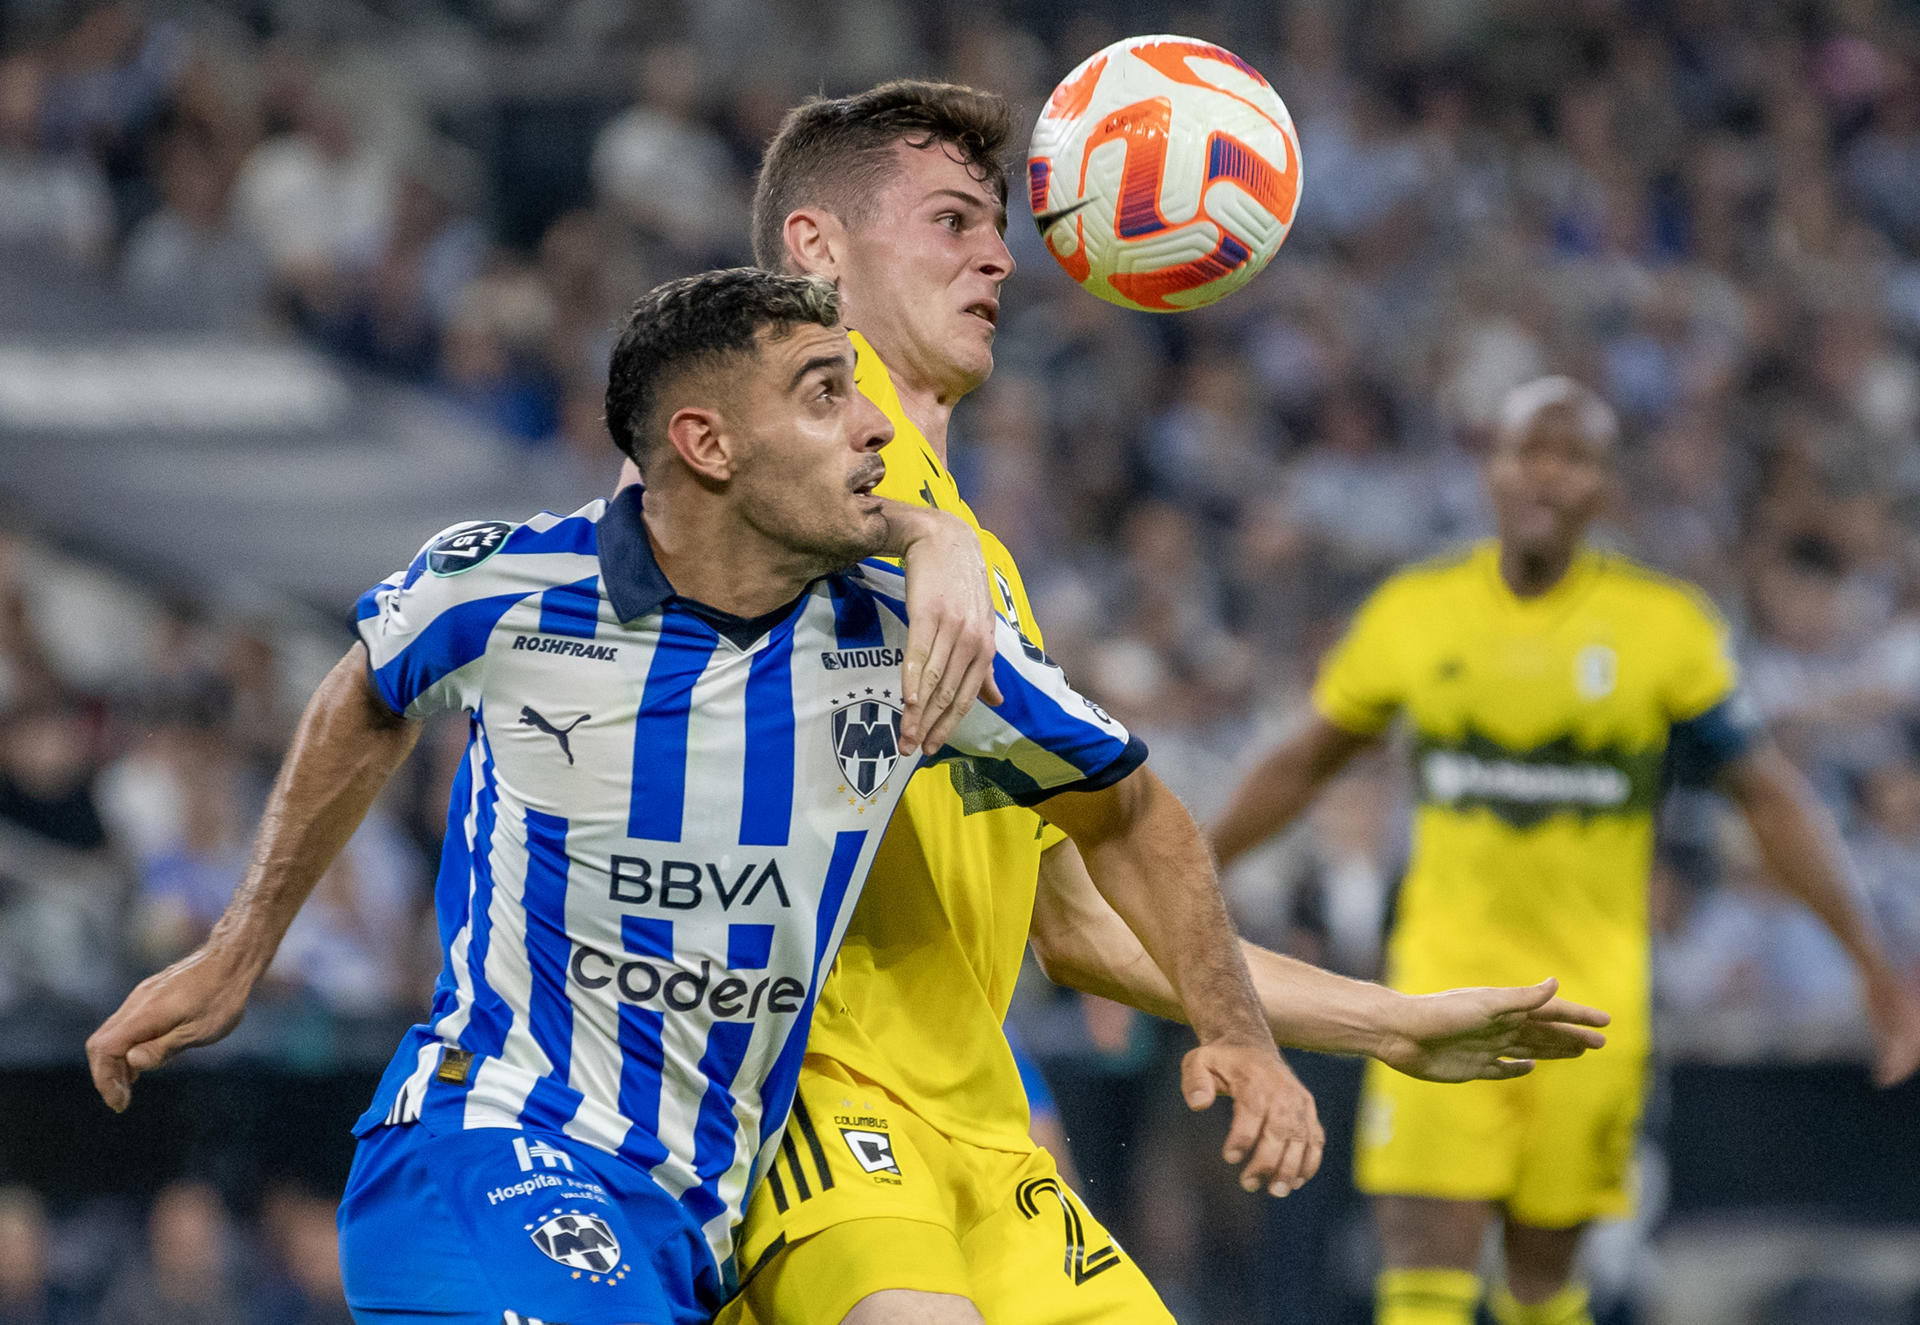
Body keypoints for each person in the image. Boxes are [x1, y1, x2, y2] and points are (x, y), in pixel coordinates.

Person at [85, 267, 1313, 1325]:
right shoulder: (507, 586)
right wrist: (239, 949)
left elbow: (1133, 809)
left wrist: (1239, 1032)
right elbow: (368, 690)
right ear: (706, 442)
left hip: (699, 1213)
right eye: (826, 393)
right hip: (498, 1144)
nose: (872, 423)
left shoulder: (907, 640)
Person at [702, 82, 1611, 1325]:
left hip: (985, 1128)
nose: (999, 259)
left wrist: (1389, 1021)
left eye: (1000, 230)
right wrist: (908, 530)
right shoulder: (775, 464)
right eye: (953, 222)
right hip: (816, 1101)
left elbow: (1081, 923)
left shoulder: (986, 568)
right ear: (817, 247)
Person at [1210, 375, 1920, 1325]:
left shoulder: (1662, 627)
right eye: (1526, 450)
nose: (1547, 474)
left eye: (1574, 455)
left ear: (1604, 483)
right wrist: (1181, 872)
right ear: (1489, 468)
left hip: (1591, 1009)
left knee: (1545, 1280)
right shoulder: (1416, 614)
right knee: (1422, 1255)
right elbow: (1301, 764)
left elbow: (1771, 797)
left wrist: (1870, 957)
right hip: (1436, 994)